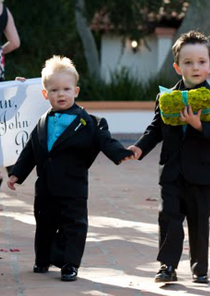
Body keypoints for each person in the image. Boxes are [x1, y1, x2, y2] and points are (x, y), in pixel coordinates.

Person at [7, 56, 133, 282]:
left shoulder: (89, 122)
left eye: (66, 89)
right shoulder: (42, 121)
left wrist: (120, 153)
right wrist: (17, 172)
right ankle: (42, 259)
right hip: (45, 186)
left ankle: (69, 264)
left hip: (73, 187)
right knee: (44, 224)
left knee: (73, 227)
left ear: (76, 91)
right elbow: (30, 150)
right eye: (54, 90)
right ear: (46, 94)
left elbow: (105, 141)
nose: (61, 94)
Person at [128, 31, 210, 284]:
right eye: (188, 62)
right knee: (169, 218)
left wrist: (198, 125)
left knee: (199, 222)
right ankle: (167, 265)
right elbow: (155, 128)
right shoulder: (165, 99)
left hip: (203, 175)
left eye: (201, 62)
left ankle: (200, 267)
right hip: (172, 172)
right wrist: (139, 148)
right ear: (177, 67)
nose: (195, 67)